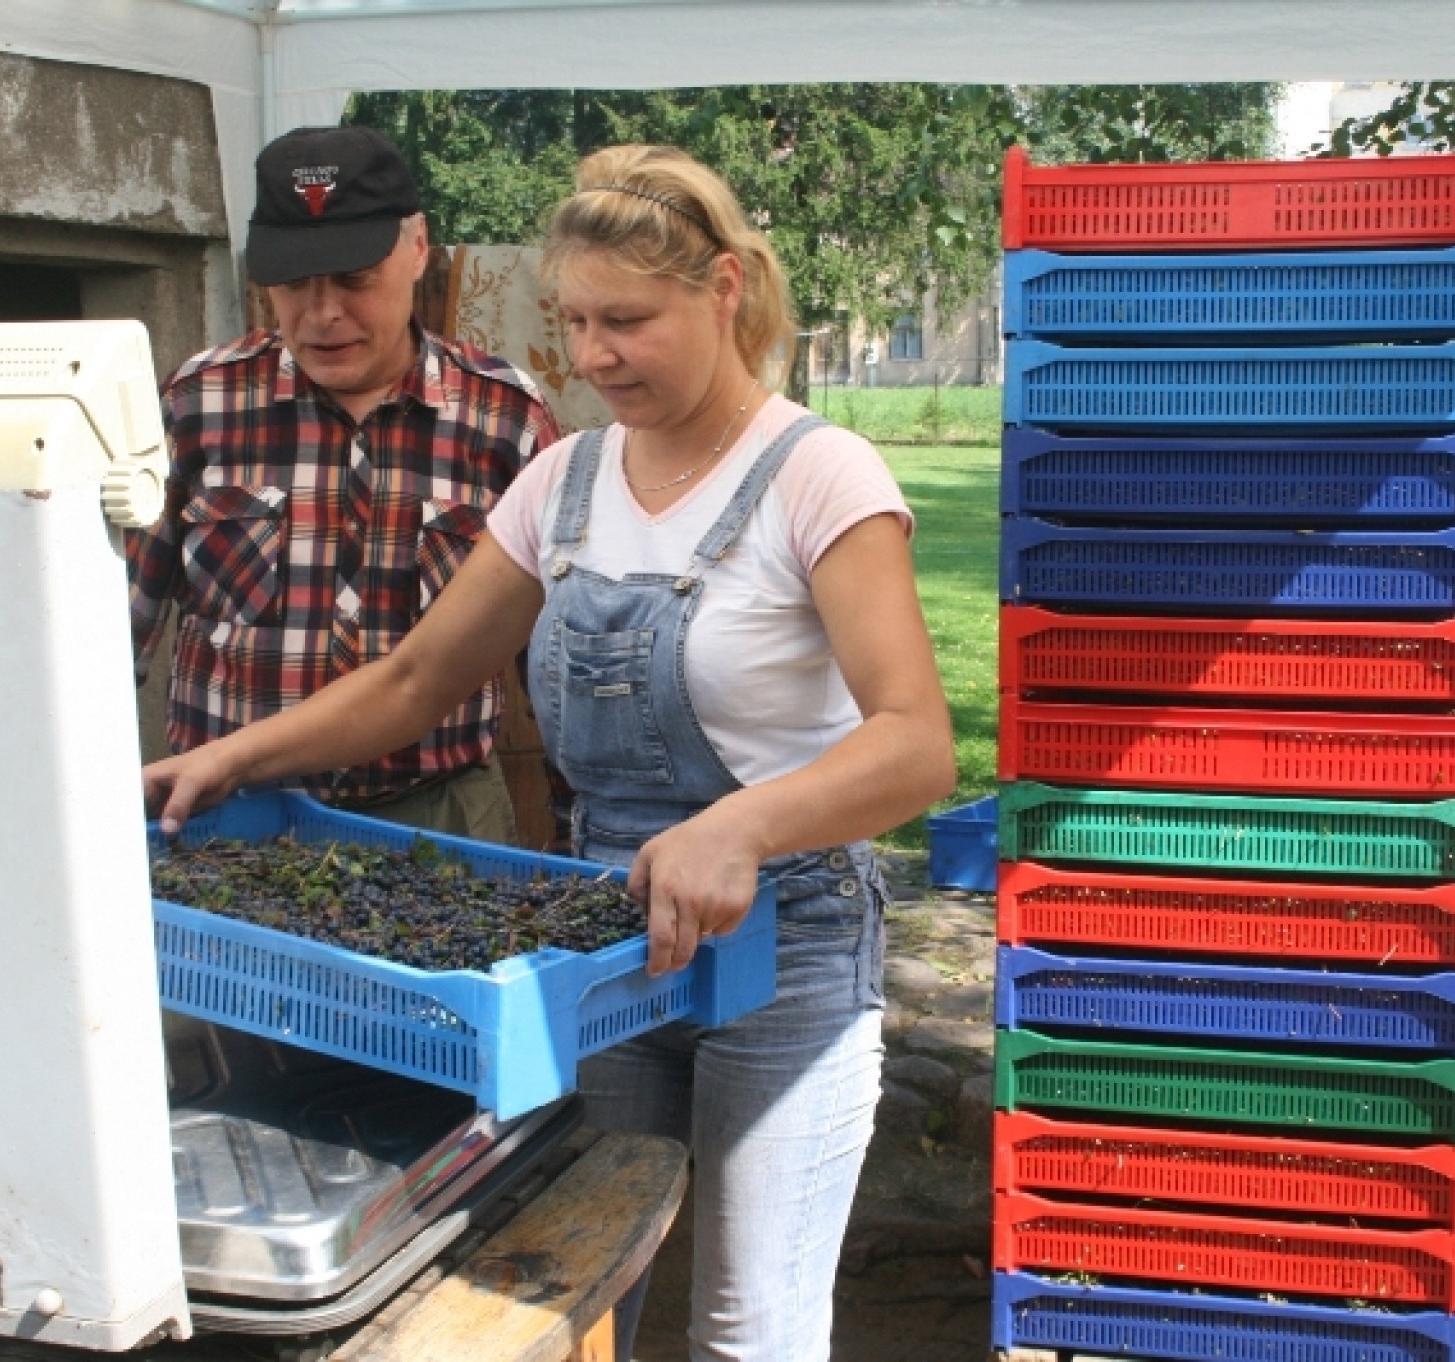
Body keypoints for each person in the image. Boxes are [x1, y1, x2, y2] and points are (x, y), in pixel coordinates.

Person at [146, 143, 955, 1362]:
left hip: (786, 946)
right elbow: (417, 678)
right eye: (572, 321)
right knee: (568, 1295)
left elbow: (915, 747)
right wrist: (234, 758)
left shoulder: (818, 476)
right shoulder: (561, 479)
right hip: (599, 945)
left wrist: (738, 827)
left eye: (625, 321)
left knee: (748, 1327)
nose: (589, 358)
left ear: (723, 289)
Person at [127, 124, 561, 842]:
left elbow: (552, 668)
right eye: (293, 284)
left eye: (356, 280)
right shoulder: (198, 403)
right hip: (231, 820)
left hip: (439, 815)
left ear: (418, 247)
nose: (323, 313)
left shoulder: (503, 417)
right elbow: (114, 631)